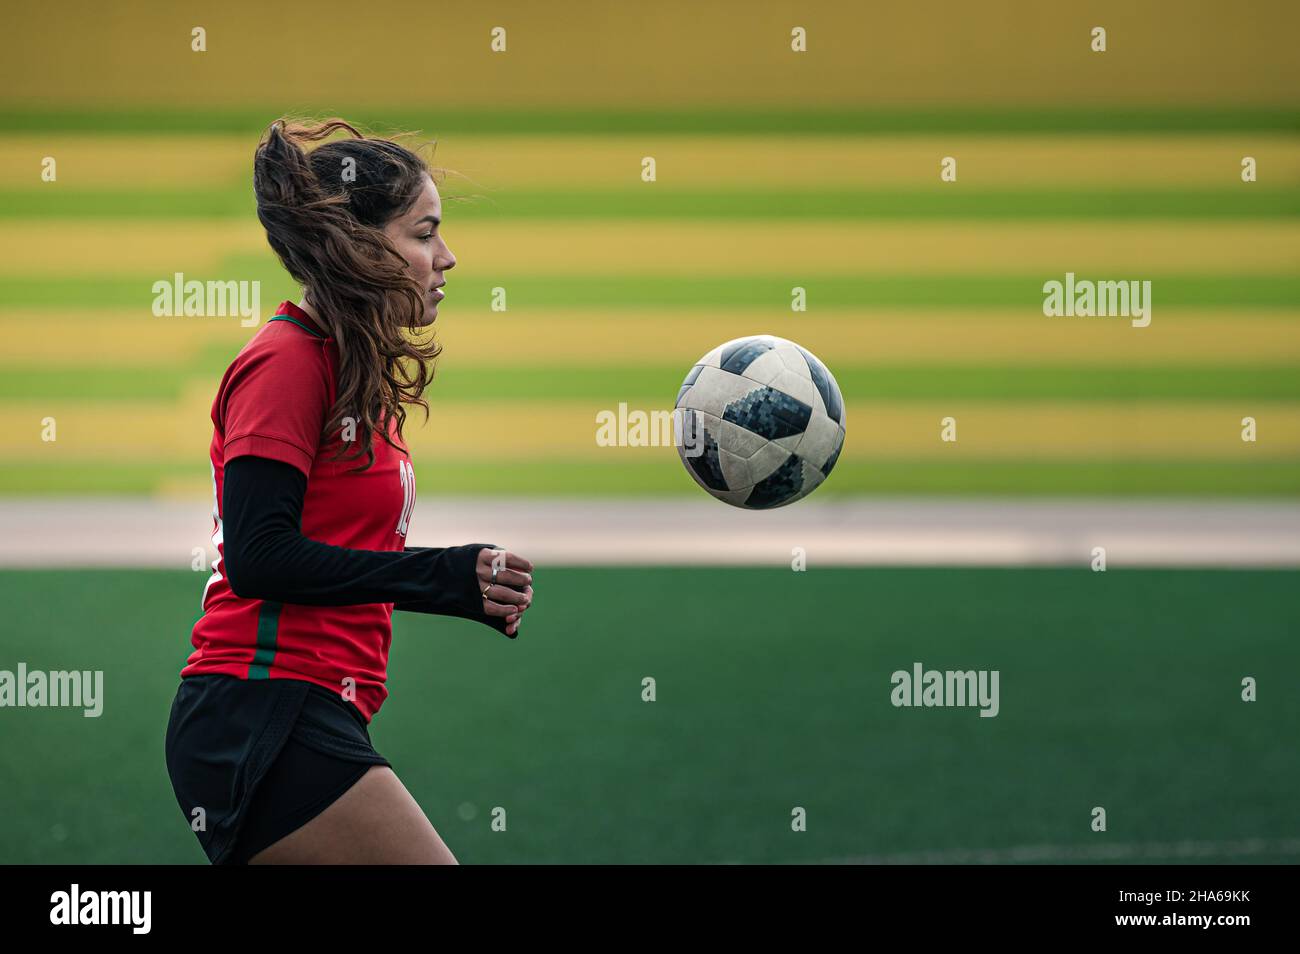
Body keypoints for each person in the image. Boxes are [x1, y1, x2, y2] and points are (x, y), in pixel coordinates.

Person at [164, 117, 534, 864]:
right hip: (260, 705)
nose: (447, 257)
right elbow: (261, 557)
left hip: (314, 705)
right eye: (424, 232)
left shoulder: (345, 368)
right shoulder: (287, 363)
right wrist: (444, 577)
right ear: (362, 247)